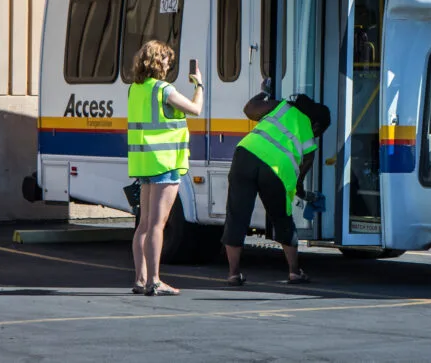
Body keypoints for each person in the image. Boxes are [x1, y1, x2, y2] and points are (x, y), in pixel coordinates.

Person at [222, 83, 331, 287]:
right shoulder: (307, 129)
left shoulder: (281, 107)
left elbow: (249, 109)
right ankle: (294, 272)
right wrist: (298, 188)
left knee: (236, 215)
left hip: (244, 155)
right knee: (282, 217)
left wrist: (264, 92)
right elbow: (305, 163)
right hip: (273, 169)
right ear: (317, 125)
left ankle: (233, 274)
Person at [127, 40, 204, 297]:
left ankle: (141, 279)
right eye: (168, 60)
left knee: (144, 225)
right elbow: (196, 109)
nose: (170, 64)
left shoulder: (135, 89)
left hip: (144, 163)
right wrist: (199, 85)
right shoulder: (163, 90)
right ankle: (155, 281)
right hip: (165, 163)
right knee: (158, 225)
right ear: (160, 62)